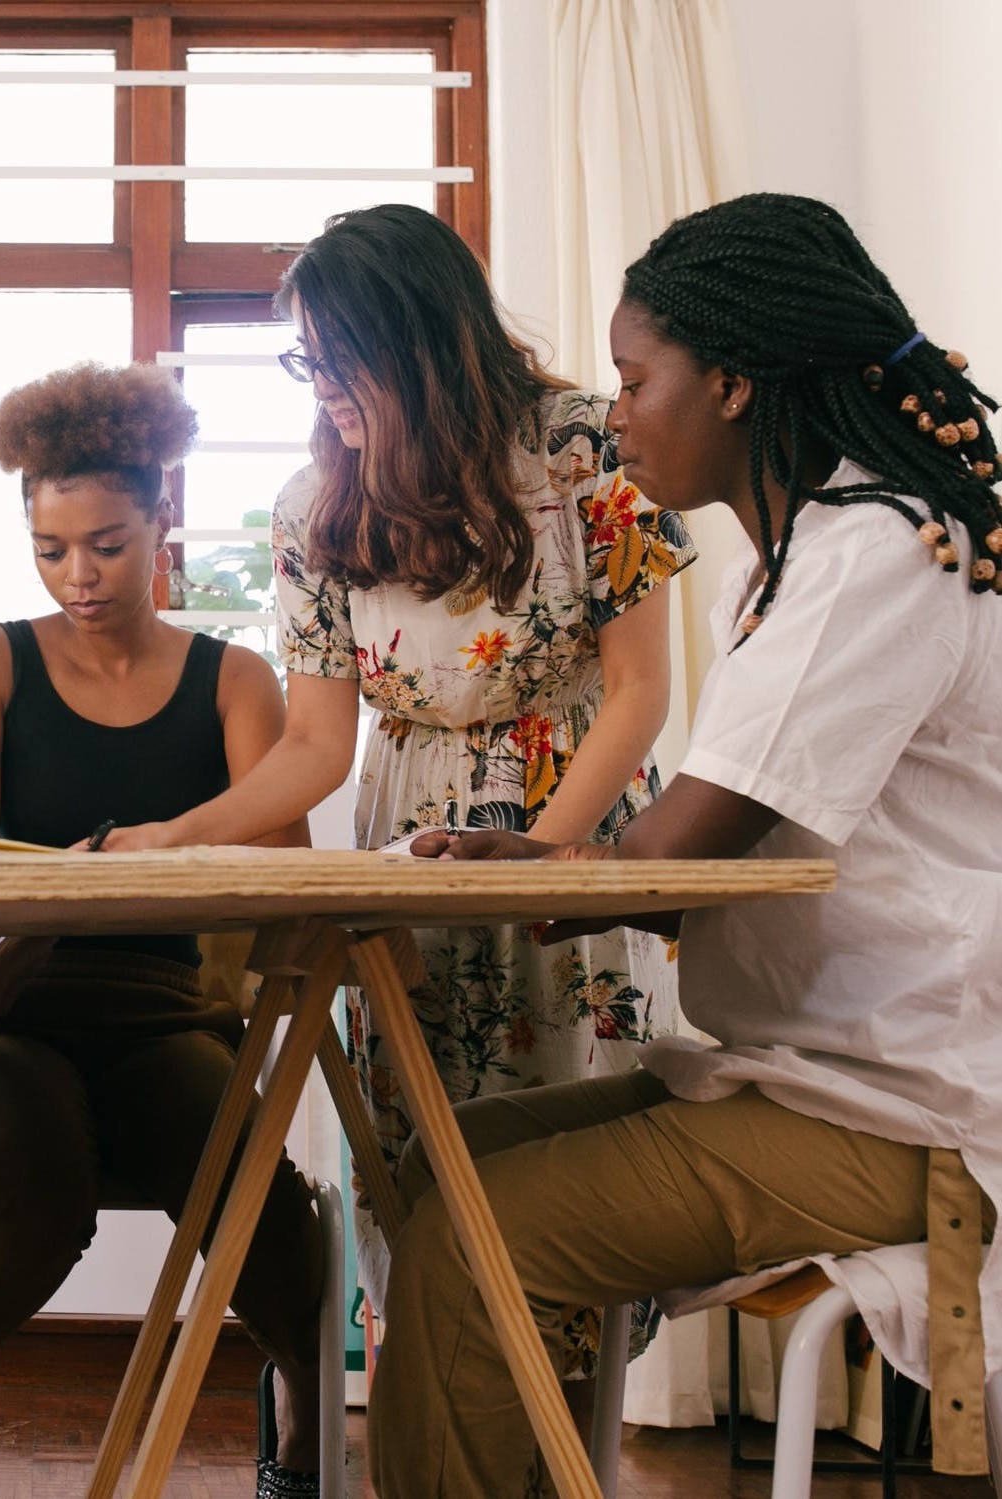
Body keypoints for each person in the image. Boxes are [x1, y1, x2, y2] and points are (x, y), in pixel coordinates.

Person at [370, 192, 1002, 1498]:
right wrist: (566, 870)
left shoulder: (874, 553)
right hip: (816, 1069)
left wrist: (549, 871)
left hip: (906, 1106)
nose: (615, 415)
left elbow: (686, 857)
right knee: (442, 1155)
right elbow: (681, 863)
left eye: (634, 379)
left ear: (728, 384)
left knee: (478, 1231)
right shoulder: (831, 548)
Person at [96, 204, 697, 1331]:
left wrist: (542, 853)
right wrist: (178, 831)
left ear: (420, 339)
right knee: (414, 1156)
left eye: (338, 358)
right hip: (410, 835)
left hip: (570, 822)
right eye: (304, 358)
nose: (318, 384)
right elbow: (319, 746)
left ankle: (569, 1446)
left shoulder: (587, 447)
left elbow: (639, 691)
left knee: (583, 1160)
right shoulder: (314, 507)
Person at [0, 362, 325, 1499]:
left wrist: (86, 880)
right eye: (52, 549)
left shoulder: (238, 680)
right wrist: (96, 874)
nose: (79, 576)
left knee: (271, 1215)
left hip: (162, 1021)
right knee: (43, 1183)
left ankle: (294, 1415)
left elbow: (277, 881)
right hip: (0, 1020)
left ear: (162, 521)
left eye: (107, 543)